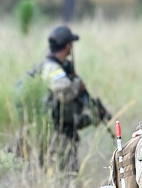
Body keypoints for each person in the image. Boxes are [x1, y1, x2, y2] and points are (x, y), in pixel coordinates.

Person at [24, 25, 103, 173]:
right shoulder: (52, 68)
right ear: (67, 46)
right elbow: (64, 92)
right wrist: (78, 84)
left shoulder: (51, 66)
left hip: (53, 131)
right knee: (66, 175)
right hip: (57, 134)